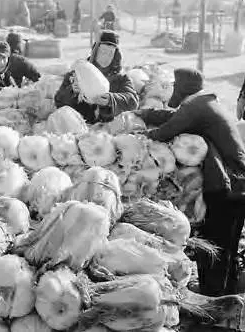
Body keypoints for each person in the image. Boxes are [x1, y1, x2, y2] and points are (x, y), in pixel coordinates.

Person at [134, 68, 245, 297]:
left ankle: (212, 303)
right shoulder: (205, 104)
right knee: (228, 248)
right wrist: (144, 113)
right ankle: (227, 302)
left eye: (175, 85)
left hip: (227, 187)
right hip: (237, 186)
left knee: (215, 247)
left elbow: (166, 131)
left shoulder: (196, 107)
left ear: (183, 88)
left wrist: (139, 136)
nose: (172, 89)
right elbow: (173, 117)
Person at [54, 30, 139, 124]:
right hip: (79, 127)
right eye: (103, 52)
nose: (106, 57)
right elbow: (58, 100)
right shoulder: (78, 74)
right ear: (95, 52)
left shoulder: (121, 78)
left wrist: (111, 99)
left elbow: (133, 101)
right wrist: (72, 91)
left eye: (111, 53)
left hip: (109, 130)